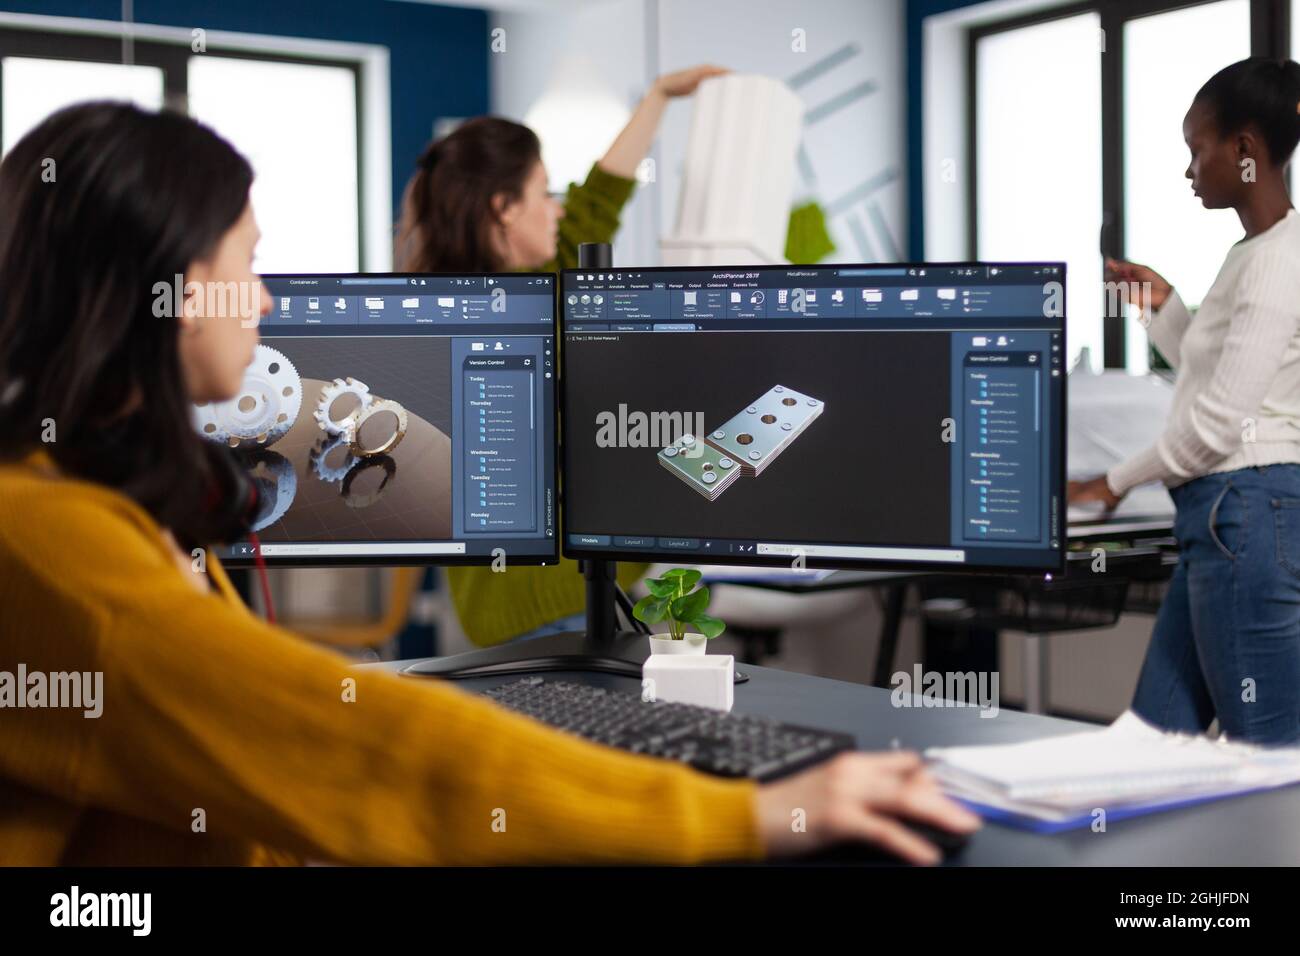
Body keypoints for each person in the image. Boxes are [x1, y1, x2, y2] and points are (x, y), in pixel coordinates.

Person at [0, 102, 979, 866]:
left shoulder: (96, 503)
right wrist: (744, 811)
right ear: (167, 286)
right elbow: (345, 748)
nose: (262, 301)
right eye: (249, 264)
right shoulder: (55, 543)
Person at [396, 66, 726, 648]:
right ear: (505, 208)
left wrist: (658, 97)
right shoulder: (542, 305)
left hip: (491, 611)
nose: (556, 207)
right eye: (544, 191)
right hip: (562, 600)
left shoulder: (433, 308)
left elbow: (598, 200)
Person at [1070, 57, 1300, 745]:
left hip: (1245, 509)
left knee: (1268, 760)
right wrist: (1162, 307)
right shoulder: (1254, 253)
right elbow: (1215, 373)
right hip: (1227, 516)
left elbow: (1215, 426)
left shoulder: (1277, 261)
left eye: (1197, 149)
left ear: (1245, 149)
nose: (1190, 169)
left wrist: (1107, 485)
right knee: (1153, 740)